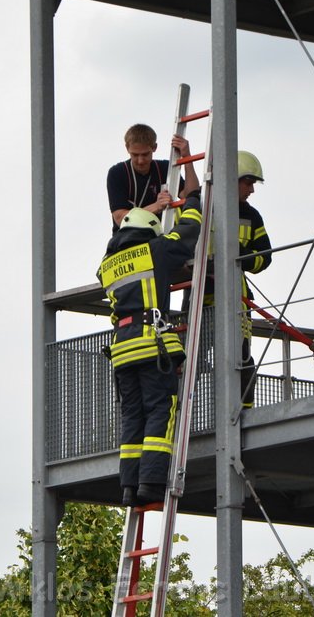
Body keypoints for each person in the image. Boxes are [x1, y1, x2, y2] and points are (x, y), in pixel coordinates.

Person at [96, 193, 203, 506]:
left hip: (121, 349)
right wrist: (193, 203)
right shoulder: (155, 249)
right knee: (160, 408)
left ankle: (129, 486)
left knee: (133, 416)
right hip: (148, 341)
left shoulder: (106, 266)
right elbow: (187, 233)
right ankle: (151, 482)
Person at [186, 151, 272, 410]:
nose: (252, 190)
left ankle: (243, 414)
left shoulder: (252, 216)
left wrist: (237, 255)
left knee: (241, 360)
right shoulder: (200, 206)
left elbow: (264, 259)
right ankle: (185, 413)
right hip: (200, 298)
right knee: (192, 359)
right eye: (248, 183)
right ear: (231, 180)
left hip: (236, 301)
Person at [107, 123, 200, 230]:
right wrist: (157, 206)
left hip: (159, 238)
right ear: (127, 148)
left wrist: (187, 158)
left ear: (154, 147)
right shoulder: (117, 173)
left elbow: (191, 196)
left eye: (145, 154)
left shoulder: (165, 168)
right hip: (128, 241)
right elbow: (120, 218)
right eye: (135, 155)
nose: (140, 161)